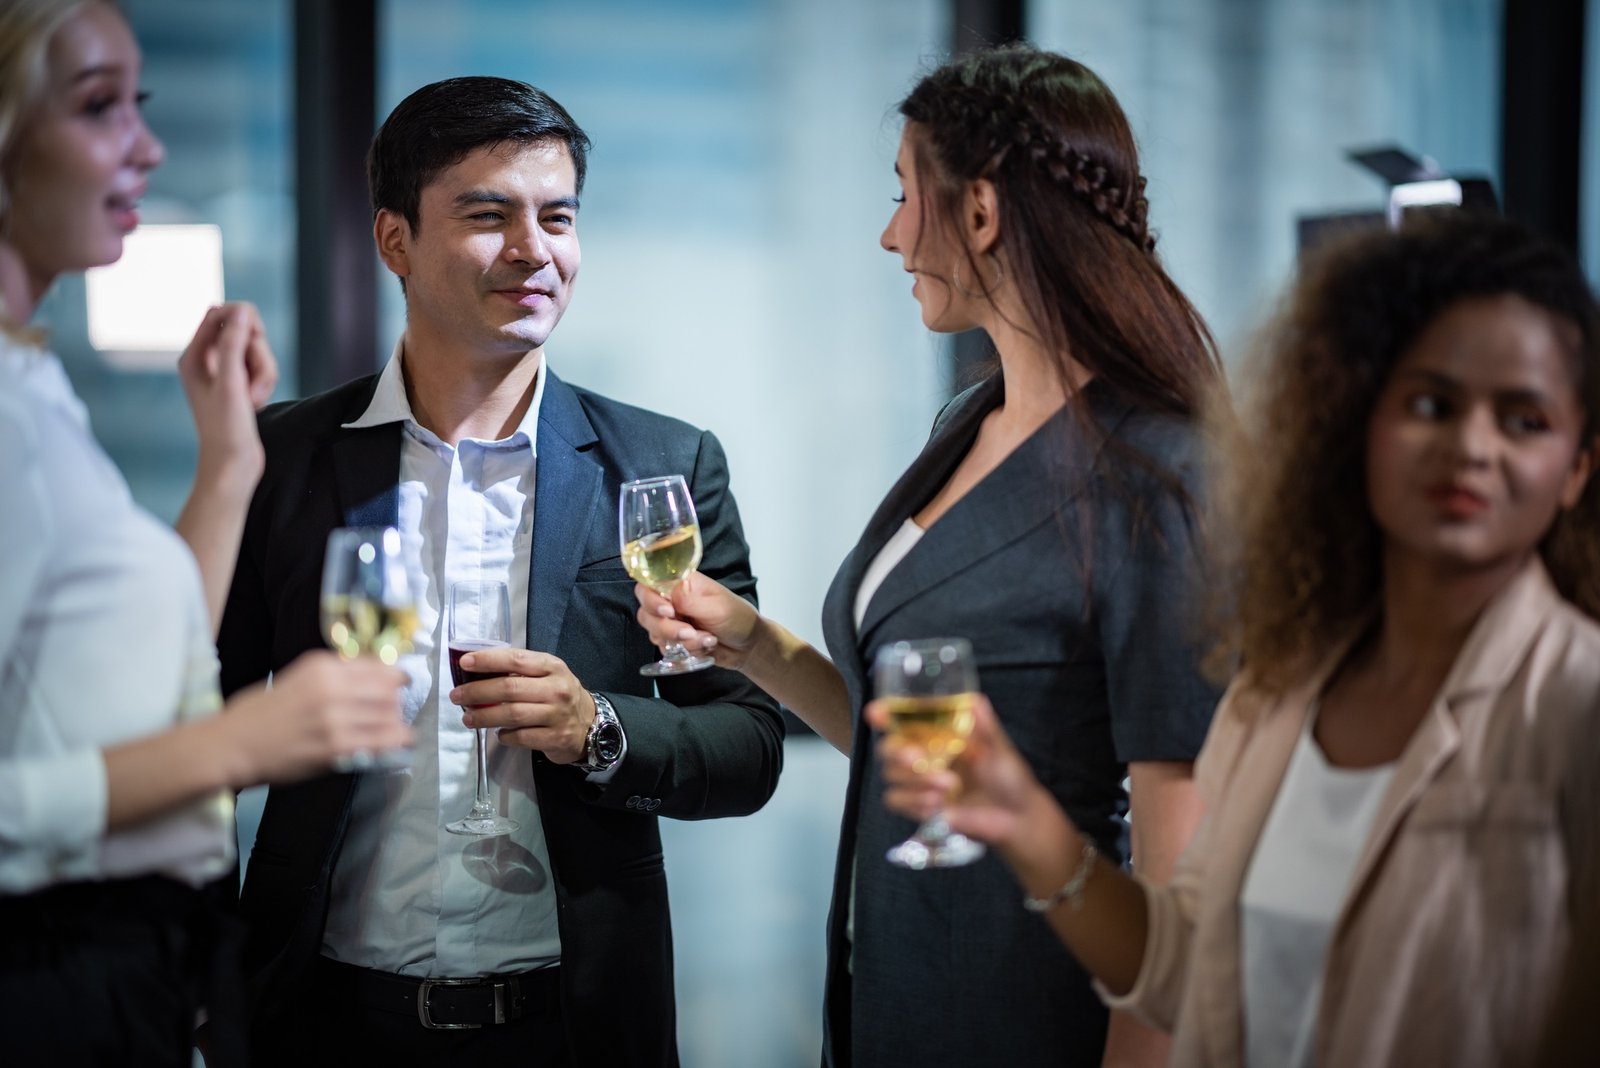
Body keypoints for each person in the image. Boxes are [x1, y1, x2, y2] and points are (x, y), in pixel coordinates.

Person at [877, 212, 1600, 1068]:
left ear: (1578, 469)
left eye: (1524, 420)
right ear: (1358, 424)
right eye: (1432, 404)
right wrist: (1025, 821)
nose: (1473, 447)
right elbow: (1180, 972)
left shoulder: (1577, 705)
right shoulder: (1285, 685)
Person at [635, 46, 1223, 1067]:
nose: (890, 233)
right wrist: (749, 643)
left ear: (983, 214)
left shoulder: (1158, 474)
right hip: (886, 999)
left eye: (905, 194)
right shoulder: (969, 419)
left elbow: (1176, 927)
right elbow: (902, 746)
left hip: (1025, 1010)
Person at [216, 75, 784, 1065]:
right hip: (321, 1017)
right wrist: (195, 970)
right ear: (395, 241)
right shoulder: (281, 455)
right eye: (490, 216)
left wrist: (598, 728)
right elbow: (200, 726)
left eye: (557, 217)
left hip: (575, 1023)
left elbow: (748, 743)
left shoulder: (662, 467)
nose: (536, 250)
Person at [0, 1, 411, 1064]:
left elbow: (124, 659)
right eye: (98, 108)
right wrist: (243, 743)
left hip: (128, 964)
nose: (147, 144)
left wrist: (229, 462)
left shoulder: (31, 382)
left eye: (139, 105)